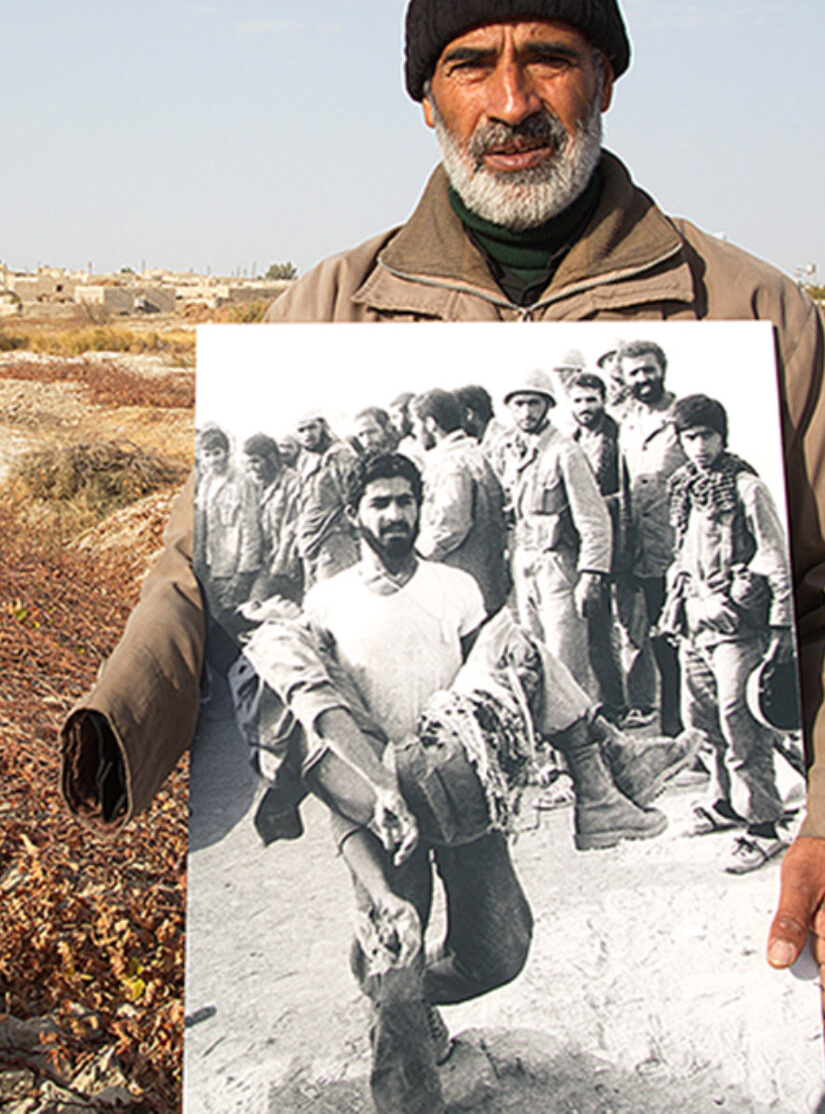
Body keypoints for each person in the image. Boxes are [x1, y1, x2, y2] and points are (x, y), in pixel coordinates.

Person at [62, 0, 825, 1019]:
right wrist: (119, 722)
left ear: (608, 77)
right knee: (397, 896)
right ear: (426, 96)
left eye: (551, 59)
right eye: (473, 63)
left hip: (520, 654)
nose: (513, 101)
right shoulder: (326, 313)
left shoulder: (746, 310)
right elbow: (205, 576)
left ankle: (588, 800)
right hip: (379, 689)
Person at [257, 451, 691, 1111]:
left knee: (501, 950)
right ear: (354, 515)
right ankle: (406, 1075)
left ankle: (402, 994)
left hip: (456, 779)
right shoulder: (328, 600)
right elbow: (328, 730)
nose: (396, 514)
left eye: (406, 500)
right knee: (394, 959)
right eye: (380, 503)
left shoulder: (454, 587)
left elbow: (483, 690)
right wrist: (376, 798)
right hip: (386, 801)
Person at [658, 395, 798, 875]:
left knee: (742, 721)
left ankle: (764, 825)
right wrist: (684, 607)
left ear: (723, 436)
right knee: (702, 720)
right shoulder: (683, 488)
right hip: (696, 620)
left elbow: (775, 560)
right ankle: (723, 804)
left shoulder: (746, 487)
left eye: (707, 436)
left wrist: (781, 629)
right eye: (690, 437)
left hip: (740, 624)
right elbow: (680, 557)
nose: (699, 446)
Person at [487, 367, 610, 700]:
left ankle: (581, 744)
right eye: (520, 404)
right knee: (532, 657)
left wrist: (591, 574)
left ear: (548, 405)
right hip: (524, 562)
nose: (527, 412)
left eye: (534, 403)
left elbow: (594, 519)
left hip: (559, 564)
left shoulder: (564, 451)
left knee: (565, 661)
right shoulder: (512, 451)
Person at [567, 369, 661, 729]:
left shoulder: (619, 437)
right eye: (578, 401)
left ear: (604, 400)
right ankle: (613, 703)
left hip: (624, 543)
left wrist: (628, 545)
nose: (585, 407)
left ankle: (643, 704)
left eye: (592, 400)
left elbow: (630, 496)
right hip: (590, 548)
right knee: (597, 630)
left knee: (633, 627)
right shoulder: (572, 440)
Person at [613, 339, 688, 731]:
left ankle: (699, 734)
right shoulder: (626, 423)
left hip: (681, 551)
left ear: (662, 368)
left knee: (687, 646)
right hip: (645, 552)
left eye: (648, 369)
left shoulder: (683, 418)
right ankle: (673, 729)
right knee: (659, 642)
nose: (643, 378)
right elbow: (625, 489)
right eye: (634, 372)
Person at [411, 387, 510, 615]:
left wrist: (417, 555)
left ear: (431, 424)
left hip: (462, 580)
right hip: (484, 578)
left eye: (417, 424)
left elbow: (451, 525)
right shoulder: (474, 454)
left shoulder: (451, 465)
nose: (415, 432)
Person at [192, 427, 261, 635]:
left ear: (227, 453)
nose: (213, 460)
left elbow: (251, 527)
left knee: (233, 622)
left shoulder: (242, 482)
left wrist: (244, 572)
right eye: (207, 454)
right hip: (211, 566)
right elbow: (202, 527)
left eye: (217, 453)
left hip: (232, 568)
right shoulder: (206, 483)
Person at [292, 411, 360, 588]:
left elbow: (352, 499)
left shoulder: (341, 456)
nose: (307, 435)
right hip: (310, 542)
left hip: (335, 540)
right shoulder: (306, 459)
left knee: (334, 601)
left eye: (312, 428)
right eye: (301, 430)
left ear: (323, 427)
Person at [242, 432, 304, 606]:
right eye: (248, 462)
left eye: (256, 461)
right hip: (262, 560)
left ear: (271, 459)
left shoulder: (292, 482)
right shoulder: (254, 485)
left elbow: (291, 527)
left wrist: (279, 568)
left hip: (287, 562)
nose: (252, 467)